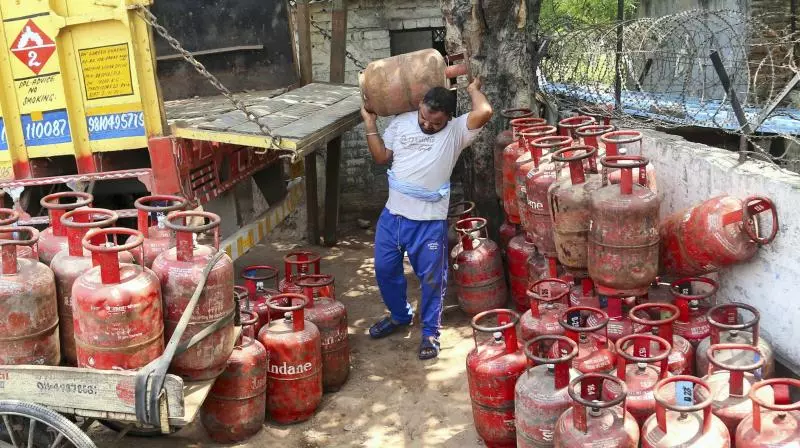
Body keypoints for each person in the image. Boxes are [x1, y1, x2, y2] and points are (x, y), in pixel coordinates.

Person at [360, 77, 492, 360]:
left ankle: (430, 332)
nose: (427, 125)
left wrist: (473, 89)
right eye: (424, 117)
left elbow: (484, 111)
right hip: (393, 216)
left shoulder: (457, 131)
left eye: (436, 122)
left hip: (429, 221)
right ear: (420, 106)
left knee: (432, 280)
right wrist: (370, 123)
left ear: (449, 118)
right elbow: (382, 157)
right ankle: (400, 316)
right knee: (384, 270)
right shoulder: (402, 122)